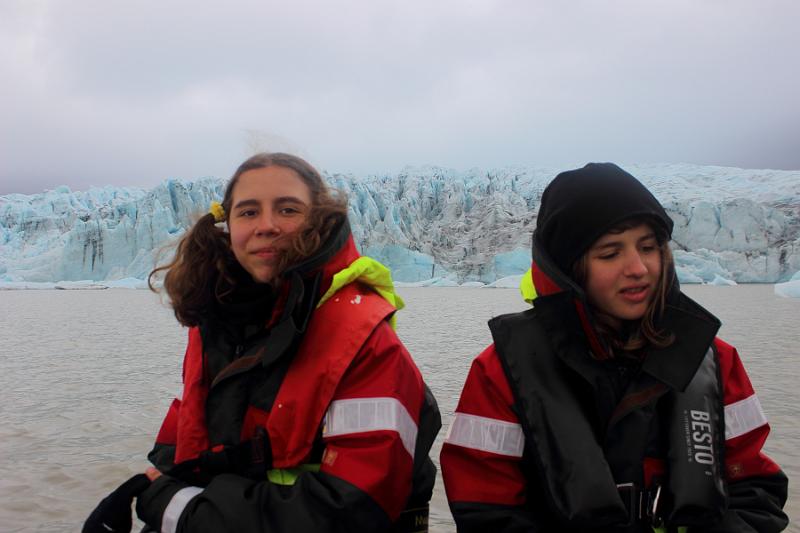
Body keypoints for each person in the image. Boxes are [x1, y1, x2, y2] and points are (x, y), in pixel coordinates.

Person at [83, 153, 440, 533]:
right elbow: (188, 435)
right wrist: (145, 488)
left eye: (288, 209)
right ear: (227, 223)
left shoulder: (366, 342)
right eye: (248, 212)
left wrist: (179, 512)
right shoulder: (220, 320)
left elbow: (354, 507)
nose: (266, 225)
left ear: (318, 222)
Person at [440, 163, 788, 532]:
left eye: (648, 247)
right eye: (610, 253)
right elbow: (486, 512)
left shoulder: (715, 362)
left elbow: (755, 494)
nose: (638, 268)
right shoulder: (503, 371)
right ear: (568, 269)